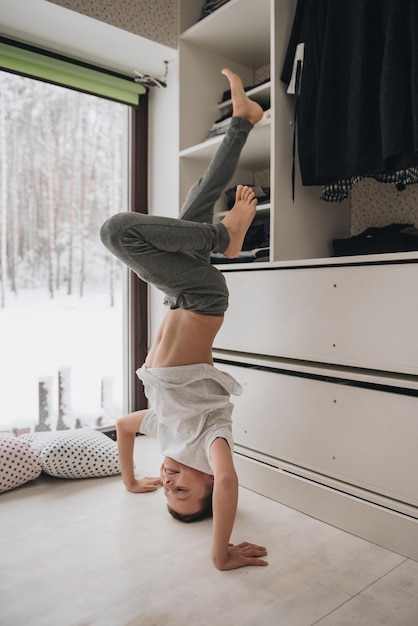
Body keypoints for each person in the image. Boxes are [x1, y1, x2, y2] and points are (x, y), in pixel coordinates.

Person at [100, 69, 268, 571]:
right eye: (184, 490)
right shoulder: (207, 438)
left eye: (166, 490)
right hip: (201, 296)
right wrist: (219, 554)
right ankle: (226, 239)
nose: (170, 481)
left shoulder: (164, 432)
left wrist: (130, 480)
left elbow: (121, 428)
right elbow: (232, 482)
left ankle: (242, 121)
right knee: (118, 231)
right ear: (207, 483)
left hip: (178, 296)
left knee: (196, 200)